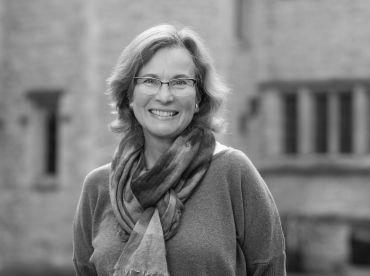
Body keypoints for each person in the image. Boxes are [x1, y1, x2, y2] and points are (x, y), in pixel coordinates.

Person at [73, 24, 286, 276]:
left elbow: (269, 269)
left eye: (180, 82)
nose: (164, 96)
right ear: (129, 96)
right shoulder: (98, 187)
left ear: (198, 98)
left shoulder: (233, 173)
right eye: (150, 81)